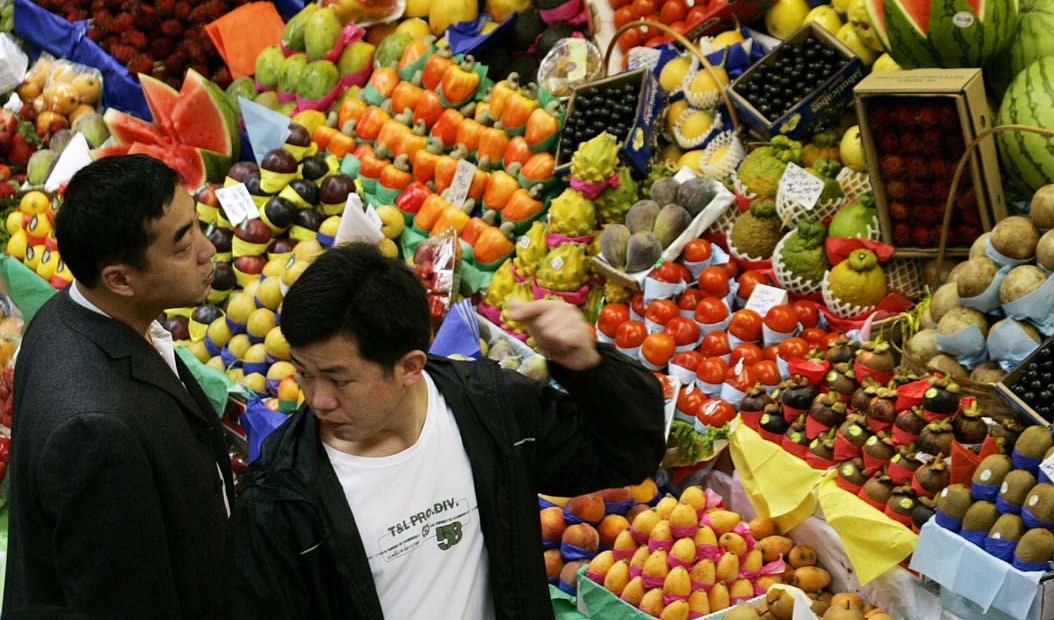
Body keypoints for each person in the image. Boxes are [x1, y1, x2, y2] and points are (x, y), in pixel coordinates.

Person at [227, 242, 666, 619]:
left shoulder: (491, 410)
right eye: (304, 373)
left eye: (339, 379)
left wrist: (587, 367)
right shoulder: (279, 501)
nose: (318, 399)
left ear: (409, 367)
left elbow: (625, 455)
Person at [4, 155, 234, 619]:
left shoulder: (62, 313)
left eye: (197, 226)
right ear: (120, 279)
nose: (208, 252)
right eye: (183, 245)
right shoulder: (96, 432)